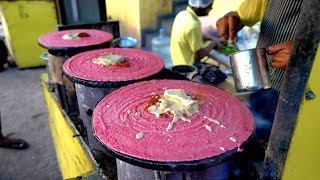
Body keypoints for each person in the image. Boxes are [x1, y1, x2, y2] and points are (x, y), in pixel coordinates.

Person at [216, 0, 303, 136]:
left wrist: (308, 53)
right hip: (260, 88)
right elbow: (242, 15)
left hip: (302, 101)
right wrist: (232, 18)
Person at [170, 0, 226, 66]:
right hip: (188, 66)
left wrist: (213, 39)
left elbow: (191, 35)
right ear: (199, 8)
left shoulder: (182, 14)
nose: (211, 8)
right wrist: (214, 43)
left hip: (177, 61)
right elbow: (199, 55)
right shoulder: (193, 25)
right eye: (209, 6)